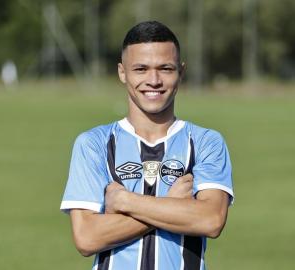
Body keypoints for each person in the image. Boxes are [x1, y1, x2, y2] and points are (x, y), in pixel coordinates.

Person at [60, 21, 234, 270]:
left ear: (181, 72)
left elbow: (210, 220)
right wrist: (172, 203)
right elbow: (87, 238)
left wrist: (124, 202)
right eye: (140, 69)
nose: (154, 80)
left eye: (165, 68)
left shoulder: (207, 142)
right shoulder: (93, 144)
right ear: (122, 72)